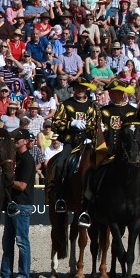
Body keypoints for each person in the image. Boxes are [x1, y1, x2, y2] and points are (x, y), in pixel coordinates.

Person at [79, 79, 140, 227]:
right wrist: (96, 126)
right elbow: (96, 133)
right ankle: (87, 210)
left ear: (123, 93)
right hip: (108, 154)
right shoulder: (103, 111)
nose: (115, 94)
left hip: (131, 156)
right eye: (112, 92)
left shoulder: (133, 112)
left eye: (118, 92)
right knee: (91, 176)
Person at [45, 80, 98, 213]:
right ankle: (59, 197)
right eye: (77, 87)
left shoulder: (92, 106)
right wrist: (70, 124)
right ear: (73, 88)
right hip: (71, 143)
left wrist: (92, 131)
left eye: (83, 87)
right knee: (60, 164)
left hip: (88, 143)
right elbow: (55, 124)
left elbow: (95, 125)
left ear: (87, 89)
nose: (80, 89)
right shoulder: (66, 104)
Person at [0, 128, 36, 278]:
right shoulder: (15, 158)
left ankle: (24, 273)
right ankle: (6, 273)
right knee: (7, 241)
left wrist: (7, 181)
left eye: (17, 140)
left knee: (22, 240)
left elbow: (23, 185)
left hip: (22, 204)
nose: (14, 142)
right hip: (12, 204)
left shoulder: (27, 160)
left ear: (25, 141)